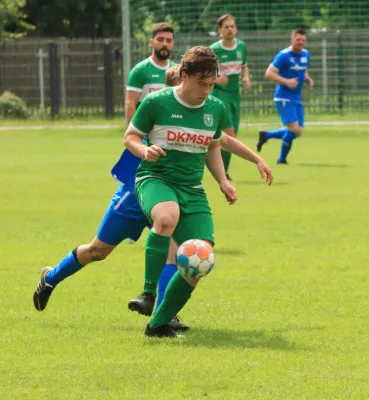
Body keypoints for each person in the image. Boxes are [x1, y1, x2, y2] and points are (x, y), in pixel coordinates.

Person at [32, 23, 188, 332]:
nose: (166, 43)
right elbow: (131, 108)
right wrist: (140, 142)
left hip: (168, 190)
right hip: (137, 188)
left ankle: (164, 311)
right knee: (97, 251)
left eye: (170, 39)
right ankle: (51, 277)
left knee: (173, 245)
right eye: (161, 38)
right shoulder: (145, 79)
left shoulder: (187, 108)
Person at [123, 46, 273, 338]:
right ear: (184, 75)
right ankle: (148, 293)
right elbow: (129, 136)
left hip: (192, 189)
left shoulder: (215, 108)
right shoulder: (156, 102)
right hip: (156, 178)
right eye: (201, 83)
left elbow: (215, 144)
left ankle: (158, 324)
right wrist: (144, 149)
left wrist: (225, 179)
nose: (206, 90)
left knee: (200, 258)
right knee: (166, 218)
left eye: (211, 84)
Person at [256, 28, 313, 164]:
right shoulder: (283, 55)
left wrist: (307, 79)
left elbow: (302, 70)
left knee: (297, 132)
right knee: (294, 129)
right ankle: (281, 158)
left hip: (296, 97)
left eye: (303, 40)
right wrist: (287, 82)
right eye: (298, 39)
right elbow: (269, 73)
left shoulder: (306, 54)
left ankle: (268, 137)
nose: (300, 42)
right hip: (283, 97)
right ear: (292, 39)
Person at [209, 14, 250, 181]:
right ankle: (222, 173)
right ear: (220, 30)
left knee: (231, 136)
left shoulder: (241, 46)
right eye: (226, 27)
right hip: (219, 94)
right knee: (230, 135)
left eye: (232, 26)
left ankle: (221, 168)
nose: (230, 29)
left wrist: (246, 78)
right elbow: (206, 74)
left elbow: (244, 66)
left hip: (235, 95)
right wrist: (217, 79)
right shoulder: (214, 50)